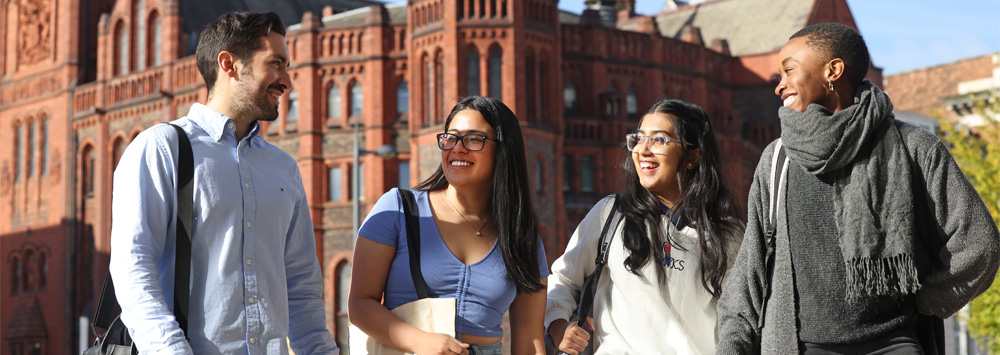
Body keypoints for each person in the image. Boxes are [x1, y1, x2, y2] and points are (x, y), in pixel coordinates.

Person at [716, 23, 1000, 354]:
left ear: (832, 71)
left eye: (788, 70)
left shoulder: (913, 147)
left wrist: (927, 302)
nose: (779, 86)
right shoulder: (778, 159)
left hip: (892, 344)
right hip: (801, 346)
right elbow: (749, 271)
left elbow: (980, 244)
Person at [109, 12, 338, 354]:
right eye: (275, 63)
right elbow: (133, 266)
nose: (286, 80)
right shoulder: (162, 148)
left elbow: (302, 286)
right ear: (229, 65)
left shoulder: (283, 168)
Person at [349, 96, 549, 355]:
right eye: (451, 138)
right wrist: (421, 342)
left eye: (474, 139)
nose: (457, 148)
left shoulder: (521, 236)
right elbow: (360, 304)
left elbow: (530, 340)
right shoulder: (397, 209)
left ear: (503, 150)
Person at [546, 99, 745, 354]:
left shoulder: (727, 236)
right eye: (638, 139)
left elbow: (740, 320)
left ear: (692, 157)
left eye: (659, 140)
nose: (643, 150)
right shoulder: (611, 214)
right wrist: (558, 326)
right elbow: (563, 279)